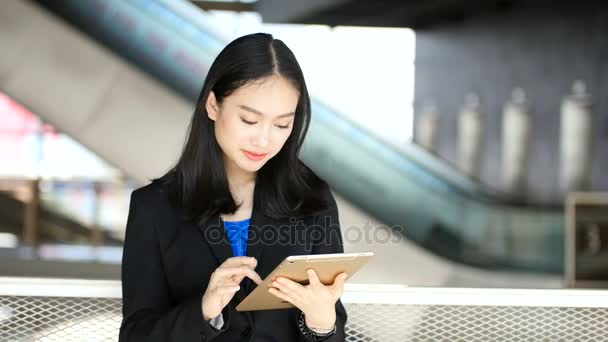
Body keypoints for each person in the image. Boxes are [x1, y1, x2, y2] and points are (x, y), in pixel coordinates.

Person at [118, 32, 348, 341]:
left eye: (282, 124)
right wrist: (204, 310)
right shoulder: (155, 208)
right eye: (249, 120)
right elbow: (136, 335)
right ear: (213, 105)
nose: (264, 140)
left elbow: (334, 331)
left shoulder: (312, 200)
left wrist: (322, 323)